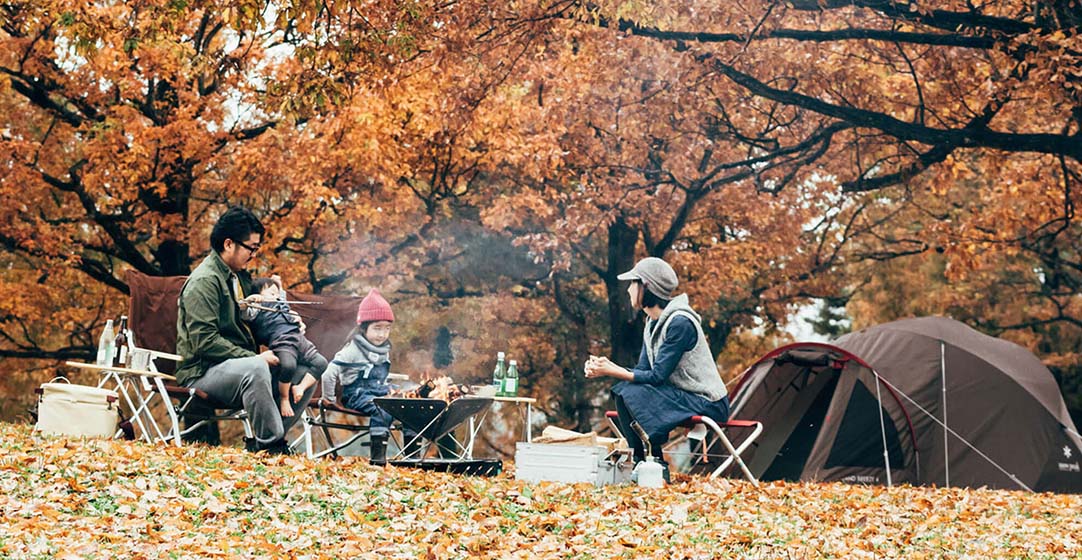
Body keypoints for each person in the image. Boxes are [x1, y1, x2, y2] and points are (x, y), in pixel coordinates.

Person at [175, 206, 317, 454]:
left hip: (240, 369)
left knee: (306, 370)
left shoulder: (240, 278)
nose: (254, 254)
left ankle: (264, 444)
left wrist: (287, 325)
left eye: (256, 248)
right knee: (256, 367)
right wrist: (253, 357)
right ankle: (273, 446)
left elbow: (257, 325)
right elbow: (204, 342)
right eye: (251, 247)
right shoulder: (204, 282)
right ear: (229, 244)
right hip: (203, 372)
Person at [584, 256, 730, 482]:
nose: (629, 290)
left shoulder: (680, 323)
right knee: (623, 390)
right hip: (682, 396)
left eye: (633, 284)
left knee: (628, 389)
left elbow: (657, 376)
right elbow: (643, 370)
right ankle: (644, 462)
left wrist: (611, 369)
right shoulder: (652, 323)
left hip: (707, 401)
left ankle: (653, 463)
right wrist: (605, 367)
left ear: (646, 286)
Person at [321, 288, 414, 464]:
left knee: (408, 404)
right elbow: (328, 373)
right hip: (356, 394)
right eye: (377, 328)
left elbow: (381, 376)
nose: (382, 334)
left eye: (387, 328)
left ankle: (412, 458)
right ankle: (378, 459)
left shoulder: (383, 348)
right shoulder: (352, 350)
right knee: (383, 408)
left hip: (379, 390)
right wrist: (329, 399)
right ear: (364, 328)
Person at [244, 277, 328, 418]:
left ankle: (299, 387)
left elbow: (281, 293)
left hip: (299, 339)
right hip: (282, 342)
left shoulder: (281, 302)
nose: (276, 296)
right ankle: (284, 398)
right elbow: (244, 312)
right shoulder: (257, 308)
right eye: (271, 293)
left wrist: (278, 284)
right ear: (259, 295)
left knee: (321, 363)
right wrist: (252, 300)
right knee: (288, 366)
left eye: (277, 294)